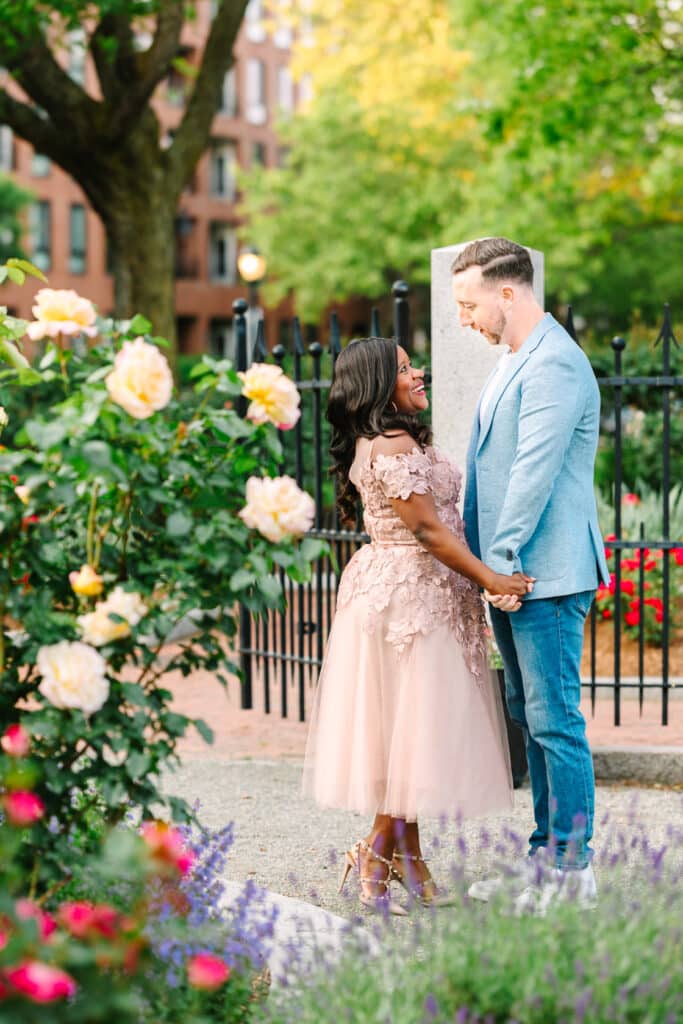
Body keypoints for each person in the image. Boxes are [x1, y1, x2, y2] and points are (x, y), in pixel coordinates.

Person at [302, 336, 532, 914]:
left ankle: (409, 858)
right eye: (405, 369)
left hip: (408, 590)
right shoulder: (393, 443)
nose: (418, 373)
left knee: (409, 734)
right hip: (410, 598)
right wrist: (492, 580)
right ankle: (374, 855)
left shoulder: (382, 439)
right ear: (381, 384)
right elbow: (430, 532)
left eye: (414, 365)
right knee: (413, 729)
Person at [451, 237, 610, 912]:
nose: (464, 318)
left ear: (506, 293)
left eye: (468, 304)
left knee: (554, 721)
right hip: (510, 576)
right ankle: (543, 858)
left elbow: (532, 473)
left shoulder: (554, 365)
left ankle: (572, 871)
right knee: (527, 713)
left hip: (537, 574)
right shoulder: (515, 359)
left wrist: (500, 565)